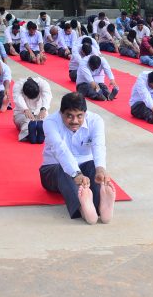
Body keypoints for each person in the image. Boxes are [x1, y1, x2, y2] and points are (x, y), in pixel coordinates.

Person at [40, 93, 116, 224]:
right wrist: (76, 173)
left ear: (85, 114)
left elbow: (99, 145)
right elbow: (60, 150)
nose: (75, 121)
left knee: (94, 167)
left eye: (79, 116)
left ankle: (101, 204)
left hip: (85, 166)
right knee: (64, 169)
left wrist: (100, 169)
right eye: (69, 116)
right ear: (61, 113)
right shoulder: (50, 122)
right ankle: (83, 209)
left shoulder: (96, 120)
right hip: (53, 170)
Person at [13, 76, 52, 143]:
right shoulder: (18, 85)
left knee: (46, 121)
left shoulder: (43, 84)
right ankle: (29, 135)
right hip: (22, 113)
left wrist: (43, 109)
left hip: (39, 113)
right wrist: (25, 109)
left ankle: (41, 133)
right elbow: (17, 98)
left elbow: (47, 96)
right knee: (27, 121)